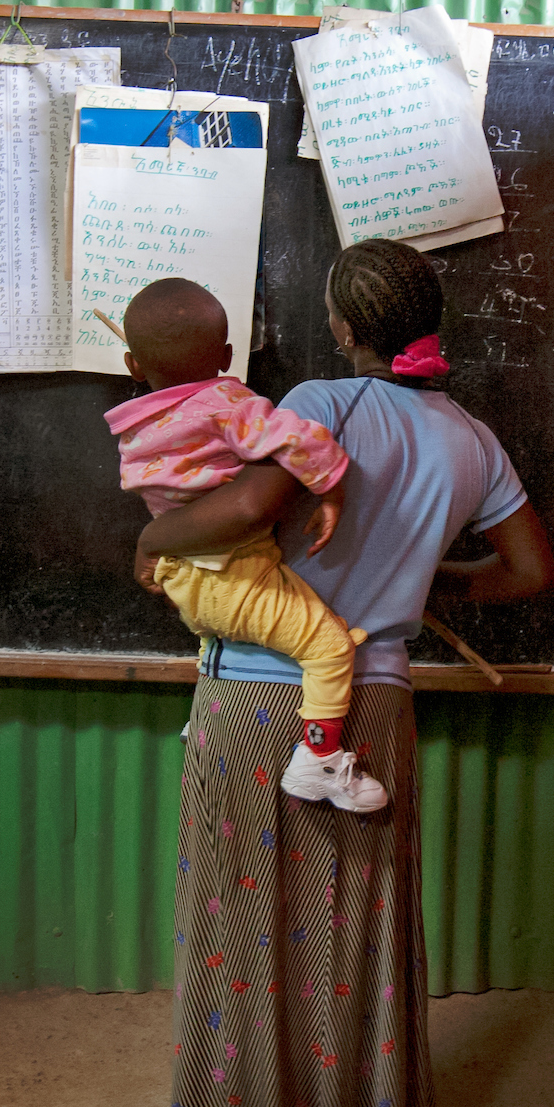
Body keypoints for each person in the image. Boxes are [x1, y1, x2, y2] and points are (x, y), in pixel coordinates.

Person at [135, 238, 554, 1107]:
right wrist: (436, 575)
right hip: (374, 701)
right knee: (352, 936)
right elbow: (530, 570)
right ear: (426, 322)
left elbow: (254, 503)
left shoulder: (321, 406)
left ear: (344, 326)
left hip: (255, 694)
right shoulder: (472, 442)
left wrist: (155, 536)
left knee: (239, 933)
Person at [108, 279, 386, 811]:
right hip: (231, 571)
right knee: (329, 648)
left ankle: (205, 723)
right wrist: (331, 488)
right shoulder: (225, 401)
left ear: (133, 367)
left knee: (225, 631)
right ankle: (320, 762)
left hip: (182, 579)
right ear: (229, 356)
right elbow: (297, 438)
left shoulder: (136, 426)